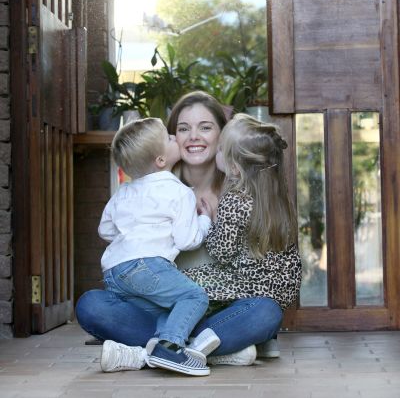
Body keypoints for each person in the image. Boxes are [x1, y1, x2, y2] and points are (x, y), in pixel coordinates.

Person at [75, 92, 292, 370]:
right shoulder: (150, 190)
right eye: (182, 129)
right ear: (166, 143)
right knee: (91, 305)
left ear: (222, 136)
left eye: (205, 127)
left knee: (266, 311)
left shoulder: (242, 192)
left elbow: (258, 273)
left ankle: (150, 353)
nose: (193, 136)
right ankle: (207, 351)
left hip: (217, 314)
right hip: (160, 310)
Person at [98, 117, 219, 376]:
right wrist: (205, 220)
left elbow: (105, 230)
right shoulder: (178, 192)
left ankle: (157, 346)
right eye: (170, 138)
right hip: (147, 266)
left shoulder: (123, 192)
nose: (176, 138)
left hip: (114, 273)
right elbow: (188, 240)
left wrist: (130, 237)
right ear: (161, 161)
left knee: (169, 306)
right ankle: (171, 346)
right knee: (194, 297)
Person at [182, 112, 302, 365]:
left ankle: (187, 342)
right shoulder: (281, 201)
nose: (217, 154)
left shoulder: (235, 199)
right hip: (279, 296)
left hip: (244, 287)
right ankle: (257, 339)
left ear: (234, 167)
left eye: (221, 150)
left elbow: (220, 252)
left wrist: (210, 220)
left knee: (188, 281)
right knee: (265, 311)